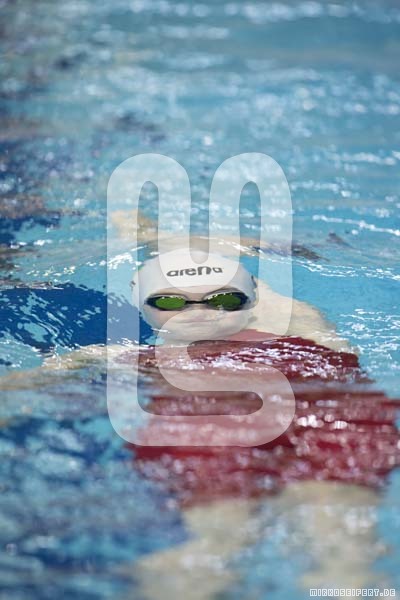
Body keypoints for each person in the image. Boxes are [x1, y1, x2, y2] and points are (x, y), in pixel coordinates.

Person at [1, 212, 399, 599]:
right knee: (341, 550)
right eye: (171, 302)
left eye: (223, 300)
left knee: (215, 549)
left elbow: (36, 383)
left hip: (224, 419)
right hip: (323, 409)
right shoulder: (303, 327)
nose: (199, 314)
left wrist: (149, 238)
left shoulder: (128, 355)